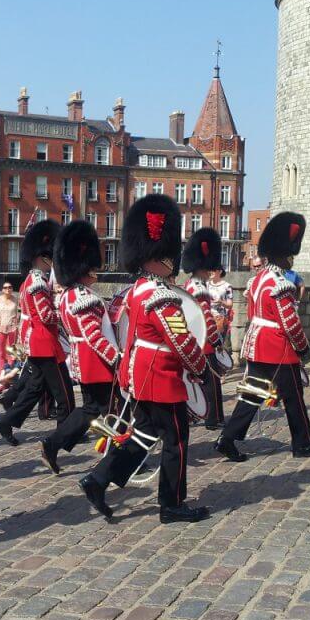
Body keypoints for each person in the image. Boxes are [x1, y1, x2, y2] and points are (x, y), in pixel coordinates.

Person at [79, 194, 210, 524]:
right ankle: (172, 504)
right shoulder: (162, 296)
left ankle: (97, 479)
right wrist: (200, 368)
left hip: (139, 373)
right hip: (161, 377)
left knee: (144, 434)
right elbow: (180, 340)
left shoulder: (137, 289)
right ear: (160, 256)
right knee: (176, 440)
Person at [215, 213, 310, 461]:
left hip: (257, 343)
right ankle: (303, 443)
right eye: (290, 254)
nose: (292, 259)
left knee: (253, 392)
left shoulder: (258, 280)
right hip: (277, 347)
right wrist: (303, 348)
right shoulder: (280, 283)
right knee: (294, 397)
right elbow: (290, 322)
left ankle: (227, 438)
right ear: (283, 254)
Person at [39, 220, 119, 474]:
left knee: (93, 409)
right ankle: (118, 457)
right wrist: (116, 358)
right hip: (95, 361)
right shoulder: (83, 297)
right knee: (106, 409)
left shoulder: (69, 295)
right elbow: (93, 335)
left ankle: (54, 444)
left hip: (84, 359)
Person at [0, 219, 74, 446]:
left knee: (35, 388)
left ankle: (6, 422)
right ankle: (60, 440)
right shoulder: (38, 281)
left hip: (40, 342)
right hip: (44, 343)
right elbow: (46, 315)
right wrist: (65, 313)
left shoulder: (33, 279)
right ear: (43, 256)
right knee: (64, 396)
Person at [182, 228, 228, 430]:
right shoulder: (199, 288)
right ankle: (213, 418)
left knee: (198, 381)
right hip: (204, 343)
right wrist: (216, 339)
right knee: (210, 383)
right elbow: (206, 317)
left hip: (193, 340)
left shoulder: (189, 284)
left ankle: (203, 414)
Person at [0, 281, 19, 372]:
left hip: (12, 329)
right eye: (5, 287)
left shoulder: (16, 299)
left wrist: (18, 322)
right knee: (1, 352)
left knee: (10, 352)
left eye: (10, 287)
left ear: (12, 289)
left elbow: (20, 312)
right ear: (2, 290)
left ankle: (9, 373)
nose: (8, 289)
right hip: (0, 329)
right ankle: (1, 373)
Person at [207, 268, 234, 352]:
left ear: (220, 271)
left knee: (218, 345)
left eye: (213, 269)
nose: (210, 271)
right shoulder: (206, 285)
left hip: (220, 320)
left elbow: (230, 305)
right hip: (207, 318)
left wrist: (221, 302)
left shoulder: (227, 286)